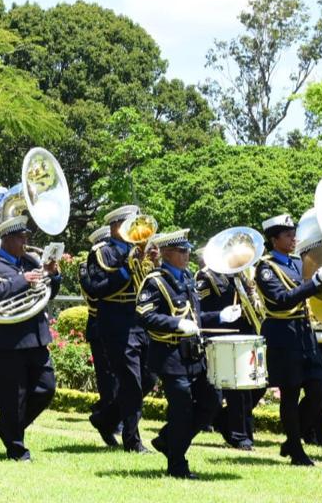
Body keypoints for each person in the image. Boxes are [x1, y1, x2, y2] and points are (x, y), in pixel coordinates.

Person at [138, 229, 236, 479]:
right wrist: (176, 324)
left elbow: (195, 317)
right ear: (167, 253)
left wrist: (220, 316)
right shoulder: (155, 281)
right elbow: (145, 316)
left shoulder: (187, 278)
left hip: (194, 354)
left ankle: (167, 439)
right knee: (181, 408)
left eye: (188, 250)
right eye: (182, 251)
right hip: (170, 355)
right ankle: (177, 464)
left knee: (212, 401)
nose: (187, 255)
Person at [0, 215, 61, 461]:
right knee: (13, 397)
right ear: (7, 239)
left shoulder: (31, 261)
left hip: (35, 336)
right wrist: (21, 280)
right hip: (7, 340)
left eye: (26, 237)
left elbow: (49, 292)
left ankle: (6, 427)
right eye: (21, 238)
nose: (26, 242)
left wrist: (53, 276)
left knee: (46, 388)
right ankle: (16, 449)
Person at [254, 214, 322, 466]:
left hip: (304, 331)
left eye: (293, 234)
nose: (293, 239)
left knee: (319, 387)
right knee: (290, 391)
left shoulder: (299, 263)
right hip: (282, 333)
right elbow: (282, 299)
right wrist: (314, 284)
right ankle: (296, 450)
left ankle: (292, 439)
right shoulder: (265, 268)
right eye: (287, 235)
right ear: (274, 239)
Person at [82, 205, 157, 452]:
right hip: (115, 320)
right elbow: (97, 288)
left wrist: (153, 263)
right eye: (128, 224)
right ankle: (132, 440)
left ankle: (106, 419)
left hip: (139, 319)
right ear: (115, 227)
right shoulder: (102, 252)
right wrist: (127, 268)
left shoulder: (137, 250)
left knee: (149, 377)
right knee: (131, 381)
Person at [197, 256, 263, 451]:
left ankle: (226, 422)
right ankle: (240, 436)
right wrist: (221, 316)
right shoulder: (207, 277)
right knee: (238, 392)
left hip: (246, 335)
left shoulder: (240, 275)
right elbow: (199, 313)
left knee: (256, 386)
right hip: (223, 338)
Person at [80, 226, 120, 447]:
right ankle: (109, 417)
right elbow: (93, 293)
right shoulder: (88, 267)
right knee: (107, 378)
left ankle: (110, 414)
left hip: (119, 323)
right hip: (99, 324)